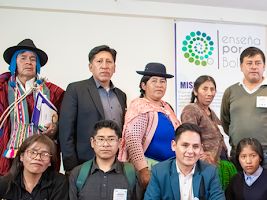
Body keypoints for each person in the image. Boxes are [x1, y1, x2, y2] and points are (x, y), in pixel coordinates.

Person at [0, 39, 65, 183]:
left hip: (41, 161)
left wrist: (55, 128)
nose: (28, 62)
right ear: (14, 63)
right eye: (23, 58)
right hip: (7, 160)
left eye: (33, 59)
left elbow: (66, 122)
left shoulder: (53, 92)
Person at [59, 45, 127, 174]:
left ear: (114, 68)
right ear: (91, 67)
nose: (104, 66)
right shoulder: (76, 89)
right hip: (84, 163)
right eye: (99, 61)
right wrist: (70, 167)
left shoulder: (121, 95)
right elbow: (66, 130)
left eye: (109, 62)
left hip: (116, 164)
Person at [221, 47, 267, 172]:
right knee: (237, 190)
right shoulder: (230, 91)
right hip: (238, 153)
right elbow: (225, 121)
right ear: (241, 67)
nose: (254, 67)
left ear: (264, 66)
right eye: (249, 63)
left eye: (258, 63)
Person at [118, 62, 180, 190]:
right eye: (154, 81)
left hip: (171, 169)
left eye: (163, 81)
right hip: (151, 170)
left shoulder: (167, 107)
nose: (159, 85)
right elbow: (133, 140)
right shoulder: (140, 106)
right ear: (143, 85)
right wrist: (144, 171)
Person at [181, 75, 228, 165]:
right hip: (204, 165)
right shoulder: (191, 109)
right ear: (195, 91)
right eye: (205, 89)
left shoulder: (212, 112)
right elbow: (189, 137)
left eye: (212, 89)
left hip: (220, 163)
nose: (209, 93)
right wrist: (202, 156)